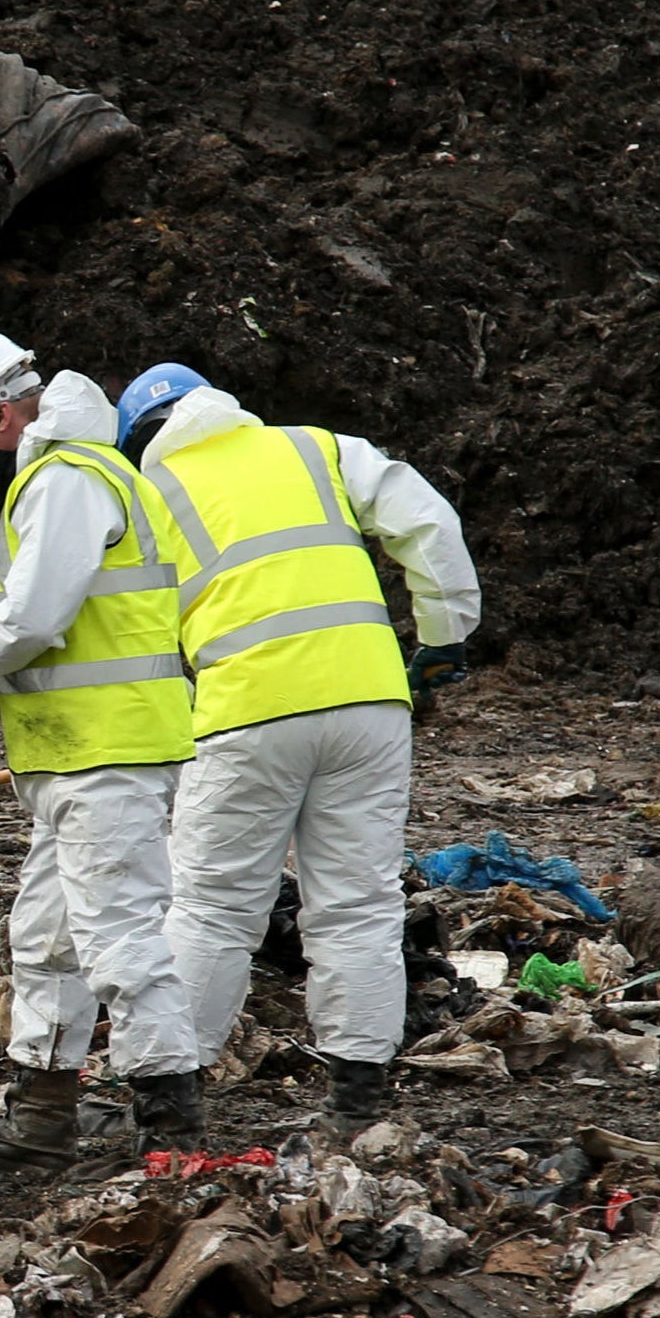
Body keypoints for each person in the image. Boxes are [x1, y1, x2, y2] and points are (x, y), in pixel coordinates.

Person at [113, 361, 482, 1134]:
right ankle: (358, 1102)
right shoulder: (318, 449)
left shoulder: (141, 498)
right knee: (357, 904)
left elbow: (126, 631)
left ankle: (170, 1107)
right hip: (370, 704)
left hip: (247, 713)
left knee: (212, 909)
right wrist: (445, 639)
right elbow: (431, 525)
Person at [0, 331, 203, 1163]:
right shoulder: (55, 478)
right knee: (47, 937)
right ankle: (40, 1122)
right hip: (71, 759)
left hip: (111, 751)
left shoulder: (65, 478)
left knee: (116, 936)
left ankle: (170, 1126)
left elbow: (34, 617)